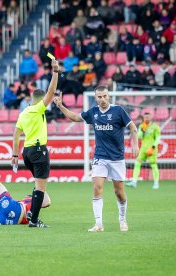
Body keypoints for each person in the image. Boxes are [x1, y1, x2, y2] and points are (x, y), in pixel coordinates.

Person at [53, 87, 139, 232]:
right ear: (95, 98)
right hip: (100, 156)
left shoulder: (118, 111)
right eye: (99, 97)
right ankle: (99, 224)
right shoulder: (93, 112)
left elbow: (133, 128)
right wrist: (61, 106)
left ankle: (122, 219)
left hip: (117, 158)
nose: (103, 99)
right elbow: (75, 117)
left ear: (109, 96)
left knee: (119, 192)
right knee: (97, 187)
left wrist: (135, 144)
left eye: (105, 96)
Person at [12, 59, 60, 228]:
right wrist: (55, 72)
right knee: (41, 187)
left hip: (26, 152)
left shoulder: (23, 112)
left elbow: (16, 135)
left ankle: (32, 212)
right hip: (39, 150)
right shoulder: (39, 108)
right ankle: (33, 220)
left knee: (37, 184)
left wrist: (14, 155)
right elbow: (52, 90)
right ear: (41, 100)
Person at [126, 112, 161, 189]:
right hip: (143, 148)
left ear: (150, 117)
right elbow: (139, 136)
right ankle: (134, 182)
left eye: (148, 117)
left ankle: (156, 183)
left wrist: (153, 147)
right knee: (137, 163)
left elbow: (158, 138)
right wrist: (142, 130)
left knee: (153, 165)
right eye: (145, 117)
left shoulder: (155, 126)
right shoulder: (142, 126)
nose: (147, 118)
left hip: (152, 149)